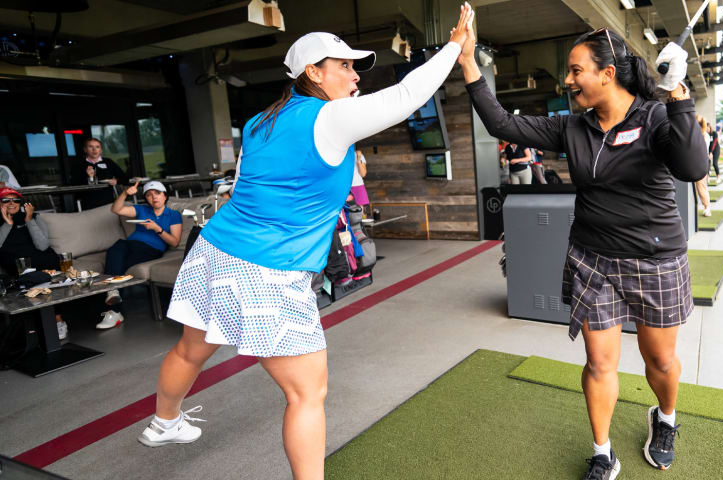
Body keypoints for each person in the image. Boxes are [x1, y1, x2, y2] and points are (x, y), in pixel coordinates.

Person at [138, 6, 474, 480]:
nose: (355, 76)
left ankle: (163, 423)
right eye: (345, 66)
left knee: (191, 348)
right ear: (313, 73)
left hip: (213, 249)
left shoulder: (259, 121)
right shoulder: (331, 117)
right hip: (269, 269)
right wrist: (456, 46)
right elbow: (407, 95)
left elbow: (249, 184)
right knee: (307, 394)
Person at [460, 25, 707, 478]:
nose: (568, 80)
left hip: (654, 259)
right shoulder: (572, 127)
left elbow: (693, 166)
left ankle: (666, 418)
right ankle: (602, 452)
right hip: (593, 257)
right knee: (598, 362)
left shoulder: (653, 117)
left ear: (607, 73)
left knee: (661, 360)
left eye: (576, 71)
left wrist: (677, 94)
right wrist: (469, 63)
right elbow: (501, 123)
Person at [96, 181, 182, 329]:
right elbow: (116, 209)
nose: (153, 197)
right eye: (149, 195)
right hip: (130, 244)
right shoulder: (142, 210)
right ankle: (113, 295)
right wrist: (124, 193)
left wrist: (157, 228)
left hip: (151, 249)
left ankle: (113, 308)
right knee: (117, 248)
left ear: (165, 196)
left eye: (157, 193)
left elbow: (174, 242)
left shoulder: (173, 215)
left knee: (121, 263)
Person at [0, 187, 67, 339]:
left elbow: (42, 246)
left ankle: (57, 319)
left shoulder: (34, 217)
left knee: (51, 264)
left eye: (15, 200)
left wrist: (29, 221)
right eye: (6, 200)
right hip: (14, 261)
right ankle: (40, 324)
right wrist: (7, 225)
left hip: (38, 257)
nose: (12, 203)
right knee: (33, 275)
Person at [74, 138, 129, 209]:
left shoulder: (108, 162)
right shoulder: (79, 164)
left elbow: (125, 178)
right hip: (87, 202)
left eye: (97, 147)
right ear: (85, 149)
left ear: (101, 150)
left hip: (107, 201)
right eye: (90, 147)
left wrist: (116, 181)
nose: (94, 149)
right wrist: (90, 177)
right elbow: (75, 183)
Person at [695, 114, 712, 217]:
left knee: (701, 186)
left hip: (700, 162)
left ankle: (707, 208)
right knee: (702, 186)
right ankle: (706, 207)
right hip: (702, 161)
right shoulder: (704, 134)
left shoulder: (701, 134)